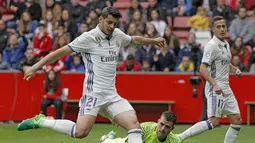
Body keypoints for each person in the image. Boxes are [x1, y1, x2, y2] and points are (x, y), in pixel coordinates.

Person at [17, 7, 165, 143]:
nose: (112, 27)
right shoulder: (88, 38)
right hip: (92, 95)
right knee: (80, 132)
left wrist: (153, 41)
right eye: (110, 22)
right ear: (100, 19)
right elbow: (59, 52)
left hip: (111, 94)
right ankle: (42, 121)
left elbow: (133, 40)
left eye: (115, 24)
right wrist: (35, 67)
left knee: (134, 126)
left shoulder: (117, 35)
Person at [179, 16, 242, 143]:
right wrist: (215, 84)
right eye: (218, 27)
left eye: (223, 26)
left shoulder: (226, 44)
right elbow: (202, 68)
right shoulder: (211, 46)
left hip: (226, 87)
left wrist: (234, 70)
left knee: (237, 120)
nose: (222, 29)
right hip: (216, 88)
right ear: (213, 29)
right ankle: (179, 137)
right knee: (213, 121)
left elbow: (224, 63)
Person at [101, 111, 182, 143]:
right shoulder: (145, 128)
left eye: (167, 127)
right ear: (158, 121)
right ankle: (107, 138)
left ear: (172, 128)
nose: (163, 129)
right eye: (161, 124)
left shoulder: (173, 141)